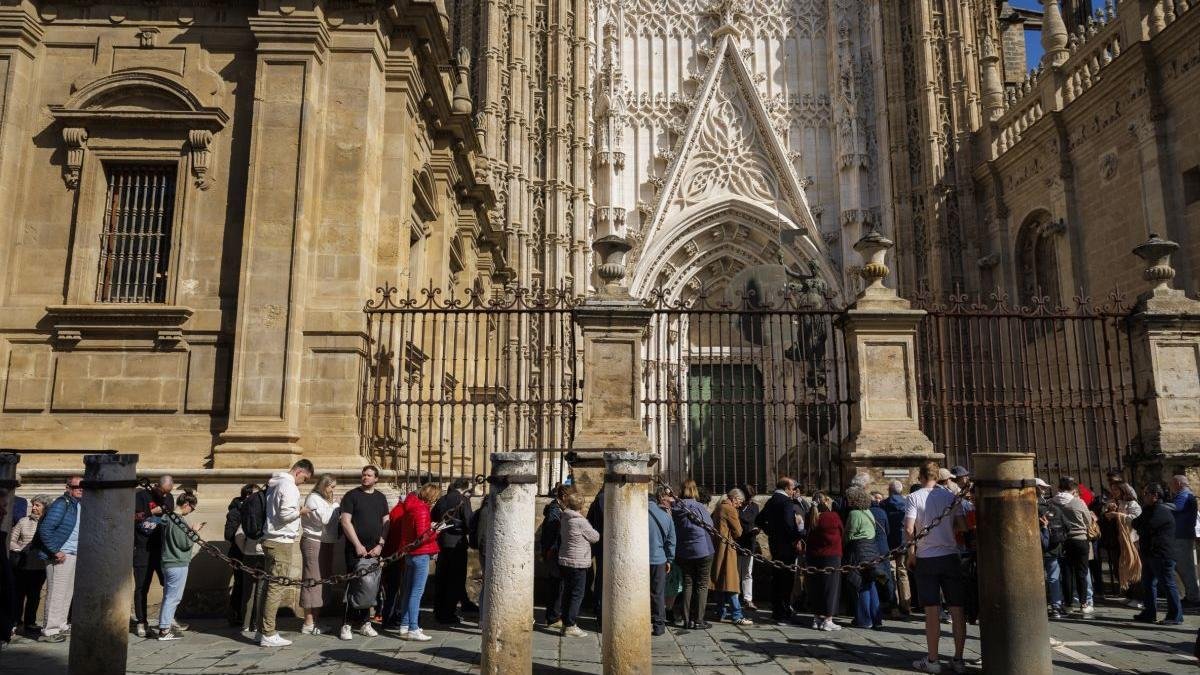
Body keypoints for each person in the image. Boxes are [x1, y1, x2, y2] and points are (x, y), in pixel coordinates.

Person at [905, 460, 968, 674]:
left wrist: (911, 553)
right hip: (951, 556)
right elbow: (963, 526)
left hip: (927, 557)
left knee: (931, 610)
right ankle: (959, 660)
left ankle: (933, 660)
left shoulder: (914, 497)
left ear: (921, 477)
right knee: (957, 609)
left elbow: (909, 528)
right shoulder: (951, 497)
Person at [259, 459, 315, 647]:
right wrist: (301, 511)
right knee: (276, 587)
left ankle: (263, 630)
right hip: (281, 541)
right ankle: (268, 633)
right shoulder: (289, 487)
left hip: (270, 539)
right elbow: (285, 515)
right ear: (299, 471)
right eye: (305, 478)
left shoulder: (275, 484)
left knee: (268, 587)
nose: (303, 483)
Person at [338, 465, 390, 641]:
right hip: (356, 550)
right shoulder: (352, 496)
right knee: (355, 585)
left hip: (374, 549)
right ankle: (346, 624)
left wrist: (380, 545)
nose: (365, 478)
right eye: (363, 475)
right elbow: (346, 522)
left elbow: (386, 523)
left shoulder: (381, 497)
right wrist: (357, 544)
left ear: (376, 479)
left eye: (369, 475)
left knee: (371, 585)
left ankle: (365, 623)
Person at [34, 476, 83, 643]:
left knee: (66, 593)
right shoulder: (62, 503)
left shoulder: (78, 505)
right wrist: (56, 551)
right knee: (56, 593)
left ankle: (61, 625)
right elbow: (46, 529)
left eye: (83, 486)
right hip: (60, 556)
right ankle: (49, 630)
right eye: (76, 486)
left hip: (72, 554)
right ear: (68, 487)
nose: (80, 488)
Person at [1132, 483, 1183, 625]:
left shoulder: (1161, 511)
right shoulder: (1148, 509)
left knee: (1167, 584)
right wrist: (1141, 525)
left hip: (1161, 554)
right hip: (1150, 553)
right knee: (1148, 583)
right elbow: (1135, 523)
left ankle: (1175, 615)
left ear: (1155, 495)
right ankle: (1149, 612)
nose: (1144, 496)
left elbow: (1147, 528)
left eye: (1147, 493)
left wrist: (1142, 527)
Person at [396, 481, 441, 641]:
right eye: (435, 498)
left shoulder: (410, 506)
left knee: (408, 591)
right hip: (420, 554)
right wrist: (435, 530)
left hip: (410, 554)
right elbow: (422, 536)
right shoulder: (422, 509)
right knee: (416, 593)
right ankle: (413, 628)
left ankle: (404, 625)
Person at [755, 477, 803, 623]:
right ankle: (783, 612)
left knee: (777, 578)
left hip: (775, 545)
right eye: (793, 488)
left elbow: (759, 520)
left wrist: (772, 532)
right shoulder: (786, 502)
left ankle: (777, 612)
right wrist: (797, 537)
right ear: (787, 488)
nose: (794, 491)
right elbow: (789, 525)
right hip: (787, 546)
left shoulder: (771, 501)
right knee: (786, 580)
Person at [132, 475, 175, 637]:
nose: (165, 496)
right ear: (157, 486)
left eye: (168, 493)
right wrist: (151, 511)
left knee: (169, 585)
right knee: (142, 586)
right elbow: (131, 517)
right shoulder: (141, 496)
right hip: (143, 548)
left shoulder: (169, 498)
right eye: (163, 492)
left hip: (162, 549)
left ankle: (167, 618)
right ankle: (141, 621)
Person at [158, 490, 202, 640]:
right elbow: (184, 544)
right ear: (187, 504)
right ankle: (164, 629)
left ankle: (166, 624)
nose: (191, 511)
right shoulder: (177, 520)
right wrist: (194, 531)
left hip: (168, 561)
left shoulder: (168, 518)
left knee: (168, 596)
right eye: (192, 508)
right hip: (177, 562)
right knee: (173, 597)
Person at [672, 479, 715, 630]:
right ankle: (698, 619)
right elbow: (710, 525)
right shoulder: (698, 507)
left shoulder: (675, 507)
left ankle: (686, 618)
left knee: (687, 584)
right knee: (702, 585)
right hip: (703, 550)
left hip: (684, 551)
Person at [431, 477, 474, 624]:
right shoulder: (463, 500)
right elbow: (469, 521)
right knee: (455, 579)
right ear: (465, 487)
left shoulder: (442, 499)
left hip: (442, 542)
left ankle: (438, 610)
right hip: (457, 544)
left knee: (442, 578)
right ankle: (448, 613)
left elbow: (433, 518)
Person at [300, 474, 339, 635]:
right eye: (331, 487)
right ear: (324, 486)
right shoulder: (313, 499)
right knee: (312, 580)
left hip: (326, 542)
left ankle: (316, 621)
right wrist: (336, 506)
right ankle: (308, 622)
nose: (333, 490)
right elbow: (325, 518)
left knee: (322, 581)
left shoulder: (325, 501)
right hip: (313, 542)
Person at [558, 490, 599, 638]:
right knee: (577, 594)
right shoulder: (580, 521)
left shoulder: (565, 517)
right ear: (581, 506)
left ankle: (565, 623)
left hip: (565, 559)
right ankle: (570, 625)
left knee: (567, 592)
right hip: (578, 561)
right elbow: (595, 537)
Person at [1055, 476, 1095, 616]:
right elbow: (1088, 520)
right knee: (1081, 573)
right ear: (1072, 489)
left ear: (1059, 488)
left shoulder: (1052, 502)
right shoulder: (1079, 502)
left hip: (1063, 541)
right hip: (1080, 540)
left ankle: (1068, 605)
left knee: (1066, 574)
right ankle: (1084, 604)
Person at [8, 495, 48, 636]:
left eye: (37, 505)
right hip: (23, 562)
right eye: (33, 505)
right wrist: (18, 549)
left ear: (45, 507)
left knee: (34, 594)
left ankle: (30, 622)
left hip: (39, 564)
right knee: (19, 593)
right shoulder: (23, 521)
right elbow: (12, 539)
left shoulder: (47, 523)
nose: (34, 508)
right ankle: (16, 621)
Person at [711, 488, 752, 626]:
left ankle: (720, 612)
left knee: (720, 581)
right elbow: (739, 532)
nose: (740, 505)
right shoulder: (730, 509)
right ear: (734, 498)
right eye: (740, 501)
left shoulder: (718, 507)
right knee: (731, 583)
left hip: (718, 547)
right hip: (727, 549)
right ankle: (737, 615)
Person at [844, 487, 882, 629]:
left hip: (858, 550)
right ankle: (876, 618)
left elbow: (849, 534)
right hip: (871, 550)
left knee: (861, 584)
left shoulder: (854, 514)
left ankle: (864, 619)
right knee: (871, 583)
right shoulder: (869, 512)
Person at [806, 492, 843, 631]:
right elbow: (841, 531)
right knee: (830, 588)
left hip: (812, 555)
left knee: (815, 587)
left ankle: (816, 619)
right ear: (827, 501)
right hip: (831, 555)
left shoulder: (810, 515)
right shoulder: (833, 516)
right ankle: (828, 619)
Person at [1104, 482, 1143, 607]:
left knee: (1134, 568)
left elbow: (1135, 519)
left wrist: (1118, 515)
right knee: (1122, 568)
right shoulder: (1117, 503)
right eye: (1112, 489)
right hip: (1119, 541)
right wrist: (1110, 510)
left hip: (1132, 540)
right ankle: (1129, 594)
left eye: (1116, 489)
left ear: (1124, 490)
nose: (1113, 492)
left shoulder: (1133, 504)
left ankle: (1139, 598)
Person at [223, 484, 256, 627]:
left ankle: (247, 616)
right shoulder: (235, 512)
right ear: (248, 496)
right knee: (240, 584)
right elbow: (229, 534)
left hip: (249, 551)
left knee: (247, 585)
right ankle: (236, 615)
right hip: (239, 553)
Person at [1037, 478, 1068, 619]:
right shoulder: (1053, 507)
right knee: (1054, 578)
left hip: (1037, 548)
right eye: (1043, 488)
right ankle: (1057, 606)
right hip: (1054, 548)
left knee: (1037, 579)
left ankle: (1039, 605)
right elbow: (1067, 526)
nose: (1044, 490)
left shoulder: (1030, 507)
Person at [540, 484, 570, 629]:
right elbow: (552, 534)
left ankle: (553, 615)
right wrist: (550, 551)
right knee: (556, 586)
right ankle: (553, 617)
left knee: (557, 585)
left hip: (554, 552)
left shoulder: (557, 509)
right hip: (554, 553)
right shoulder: (555, 511)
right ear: (564, 497)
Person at [648, 486, 676, 636]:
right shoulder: (666, 516)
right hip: (659, 559)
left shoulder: (637, 514)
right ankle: (659, 626)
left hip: (638, 560)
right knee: (658, 593)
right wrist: (670, 559)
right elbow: (671, 541)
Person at [881, 480, 912, 617]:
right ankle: (906, 605)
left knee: (892, 573)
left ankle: (894, 605)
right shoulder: (907, 503)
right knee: (903, 573)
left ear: (889, 490)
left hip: (889, 543)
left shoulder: (884, 504)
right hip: (904, 542)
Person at [1169, 475, 1200, 607]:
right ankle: (1191, 595)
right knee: (1183, 567)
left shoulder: (1184, 495)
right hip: (1180, 535)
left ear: (1179, 484)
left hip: (1181, 536)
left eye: (1173, 484)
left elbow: (1176, 508)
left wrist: (1160, 506)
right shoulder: (1185, 495)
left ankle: (1193, 597)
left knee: (1185, 567)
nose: (1171, 487)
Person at [868, 490, 894, 617]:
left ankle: (879, 601)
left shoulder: (867, 512)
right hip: (883, 547)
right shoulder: (882, 512)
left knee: (877, 575)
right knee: (886, 575)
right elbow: (887, 530)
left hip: (872, 548)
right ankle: (890, 602)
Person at [736, 483, 760, 612]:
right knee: (736, 572)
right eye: (748, 497)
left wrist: (757, 529)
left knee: (747, 572)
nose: (750, 500)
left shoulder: (754, 507)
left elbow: (757, 521)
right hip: (737, 542)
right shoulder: (736, 507)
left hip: (749, 543)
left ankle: (747, 598)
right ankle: (735, 597)